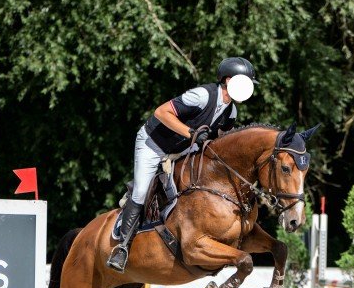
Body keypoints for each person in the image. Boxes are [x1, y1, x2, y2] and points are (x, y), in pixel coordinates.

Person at [107, 57, 259, 272]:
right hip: (154, 144)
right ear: (228, 80)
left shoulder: (230, 112)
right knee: (141, 191)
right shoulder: (201, 96)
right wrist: (190, 133)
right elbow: (161, 112)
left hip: (183, 150)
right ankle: (122, 247)